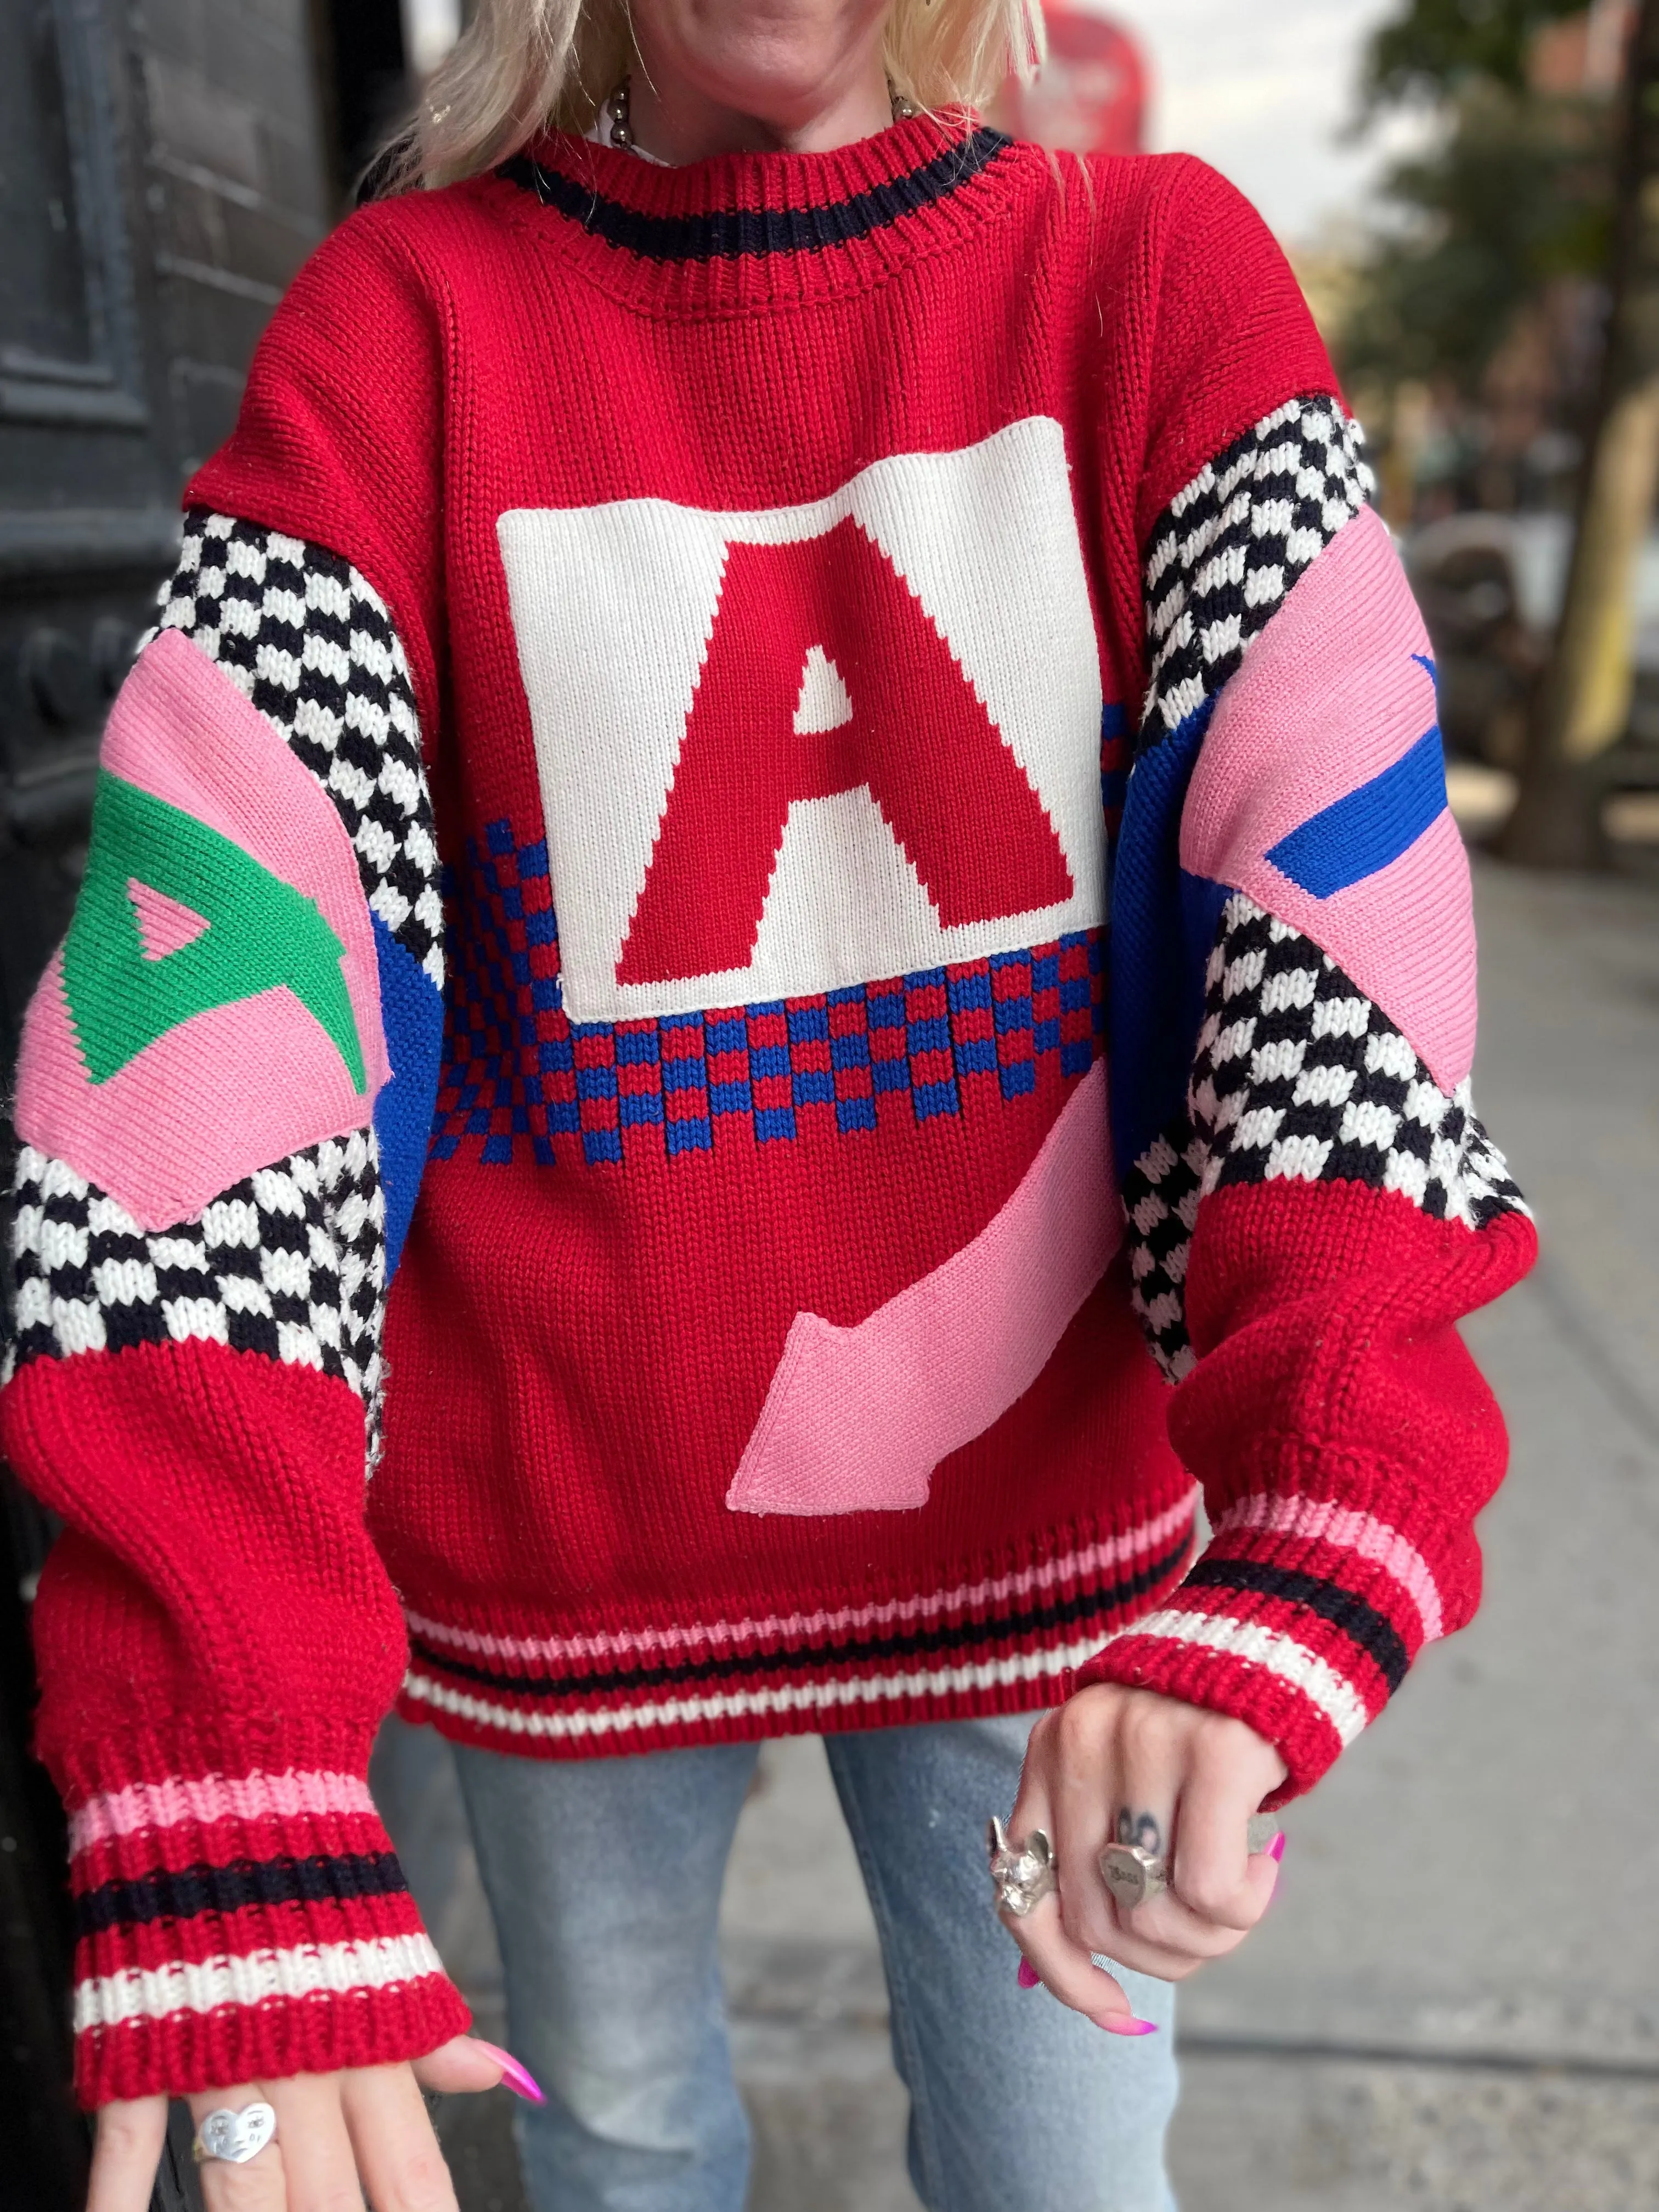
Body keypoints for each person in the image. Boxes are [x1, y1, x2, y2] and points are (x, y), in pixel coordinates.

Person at [1, 0, 1537, 2203]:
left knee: (1065, 2162)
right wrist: (218, 1727)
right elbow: (228, 968)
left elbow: (1330, 901)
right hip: (558, 1562)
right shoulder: (406, 326)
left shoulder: (1152, 281)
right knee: (627, 2149)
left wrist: (1332, 1485)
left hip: (1041, 1554)